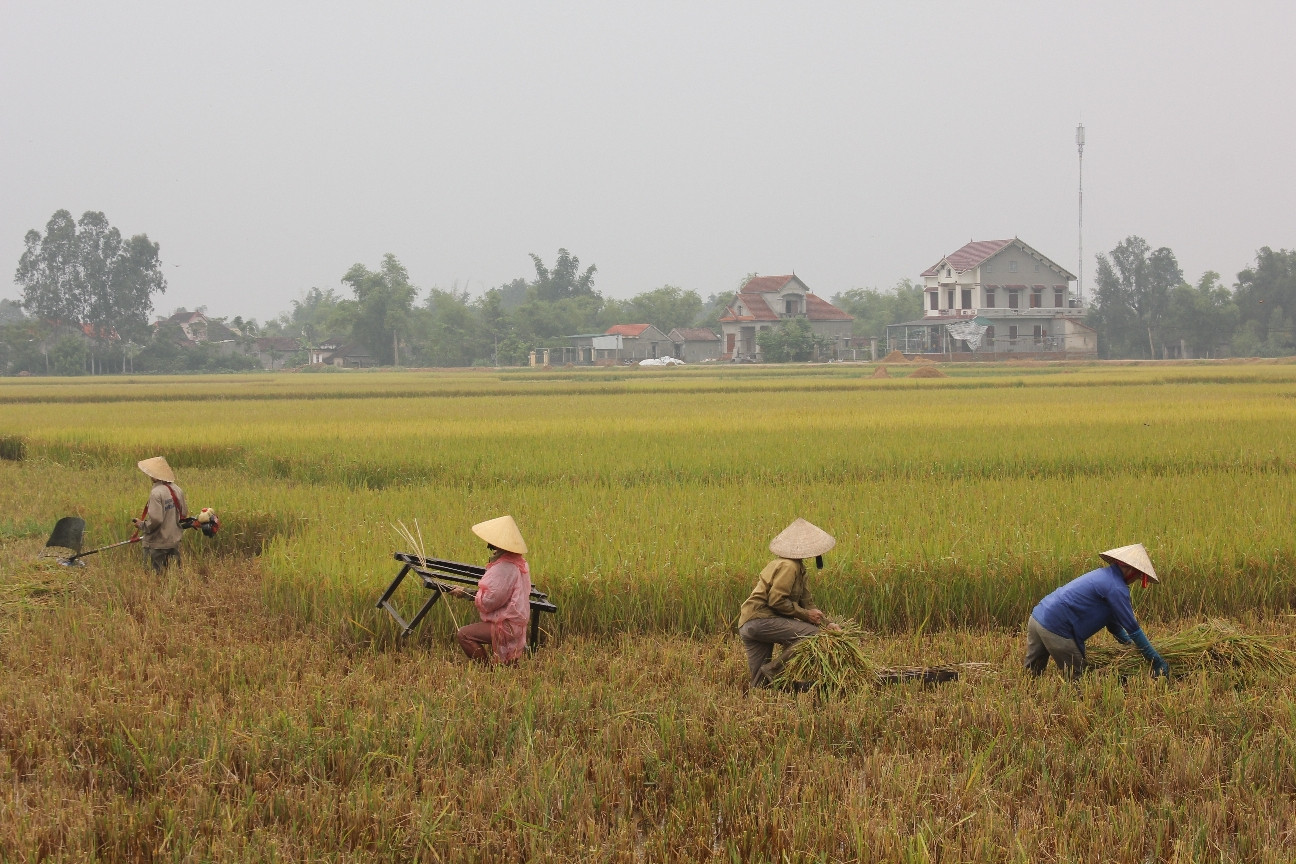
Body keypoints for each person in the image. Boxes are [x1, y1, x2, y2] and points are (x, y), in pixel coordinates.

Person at [1024, 543, 1169, 679]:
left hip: (1037, 618)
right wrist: (1155, 660)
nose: (1136, 579)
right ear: (1131, 570)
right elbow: (1133, 628)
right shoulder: (1117, 588)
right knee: (1077, 679)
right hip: (1056, 629)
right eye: (1138, 576)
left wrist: (1129, 646)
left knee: (1032, 676)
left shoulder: (1103, 575)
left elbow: (1114, 627)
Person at [738, 517, 840, 689]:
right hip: (762, 620)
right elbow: (776, 600)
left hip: (748, 624)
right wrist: (806, 616)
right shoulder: (789, 566)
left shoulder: (796, 568)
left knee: (761, 685)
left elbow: (808, 604)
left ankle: (766, 698)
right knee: (813, 636)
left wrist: (827, 624)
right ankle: (776, 670)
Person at [449, 515, 533, 664]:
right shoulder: (520, 562)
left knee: (464, 635)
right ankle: (504, 671)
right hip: (517, 624)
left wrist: (466, 593)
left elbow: (489, 600)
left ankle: (488, 672)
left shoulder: (504, 567)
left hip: (507, 625)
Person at [133, 456, 188, 572]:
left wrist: (142, 525)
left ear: (154, 475)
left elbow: (156, 520)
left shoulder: (156, 493)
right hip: (174, 541)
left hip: (157, 544)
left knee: (154, 578)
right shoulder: (177, 489)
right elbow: (183, 513)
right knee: (173, 576)